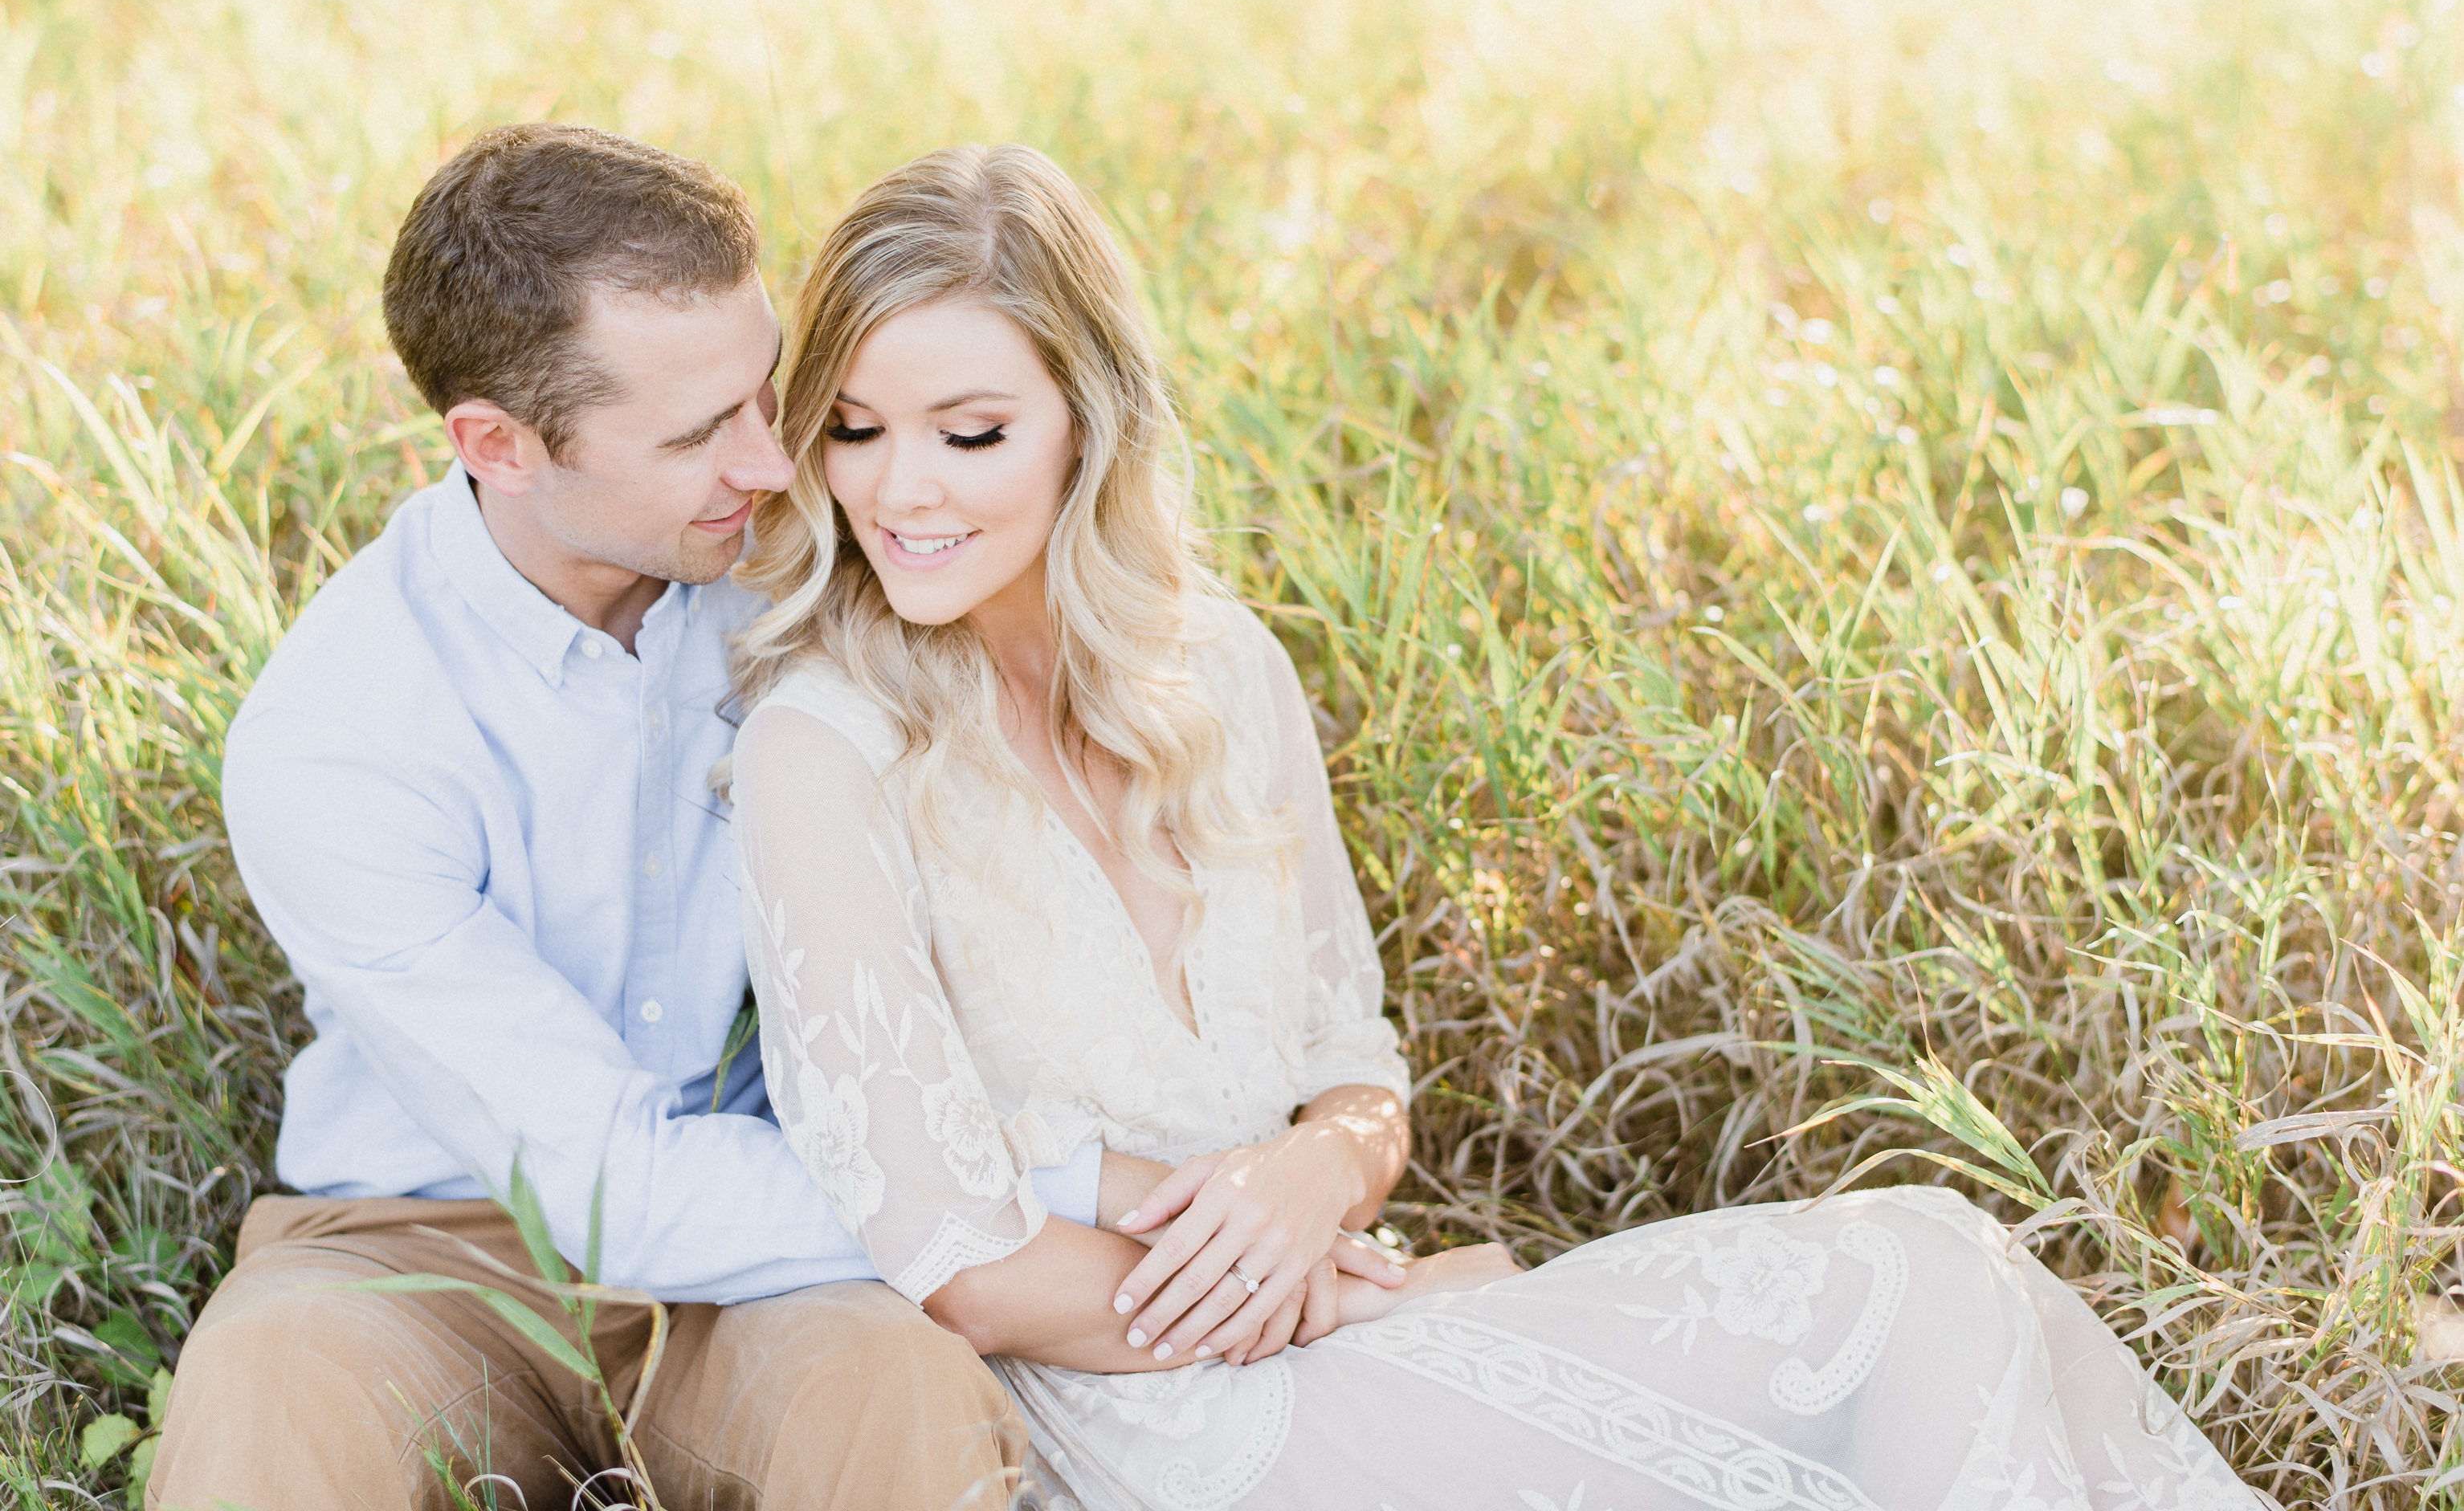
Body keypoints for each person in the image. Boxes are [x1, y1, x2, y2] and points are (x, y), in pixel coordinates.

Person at [723, 142, 2261, 1509]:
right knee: (1914, 1291)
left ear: (1090, 426)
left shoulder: (1228, 674)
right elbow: (966, 1272)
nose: (896, 489)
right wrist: (1322, 1296)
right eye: (852, 429)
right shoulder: (825, 748)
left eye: (968, 433)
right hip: (1152, 1421)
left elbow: (1357, 1068)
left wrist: (1318, 1176)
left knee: (1943, 1274)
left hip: (1351, 1323)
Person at [151, 124, 1150, 1511]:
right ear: (497, 445)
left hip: (778, 1239)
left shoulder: (798, 570)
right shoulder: (338, 740)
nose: (777, 463)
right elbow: (614, 1189)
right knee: (265, 1393)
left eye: (769, 393)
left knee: (897, 1398)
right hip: (424, 1250)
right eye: (697, 436)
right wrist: (1054, 1198)